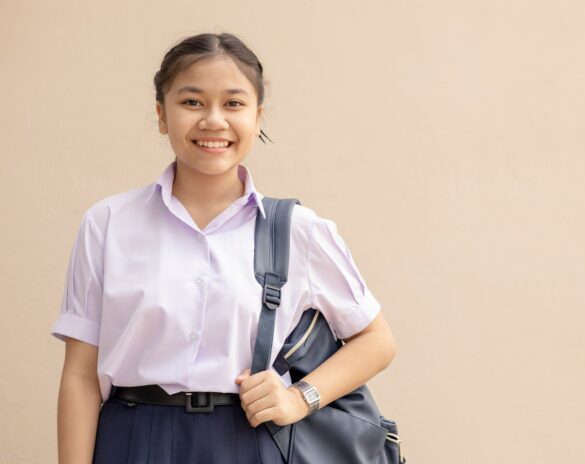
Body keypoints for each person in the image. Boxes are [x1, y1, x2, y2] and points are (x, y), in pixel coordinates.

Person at [49, 32, 397, 463]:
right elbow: (81, 375)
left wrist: (298, 397)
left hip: (250, 439)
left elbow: (376, 340)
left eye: (233, 103)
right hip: (133, 437)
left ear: (258, 116)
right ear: (161, 114)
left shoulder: (299, 231)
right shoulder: (107, 224)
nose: (213, 120)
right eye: (192, 102)